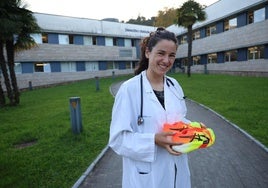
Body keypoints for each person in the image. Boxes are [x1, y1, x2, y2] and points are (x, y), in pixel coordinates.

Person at [109, 27, 191, 188]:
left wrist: (193, 128)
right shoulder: (129, 90)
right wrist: (153, 140)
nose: (166, 60)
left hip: (177, 170)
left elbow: (179, 119)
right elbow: (117, 139)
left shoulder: (174, 85)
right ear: (148, 52)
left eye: (171, 55)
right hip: (146, 178)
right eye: (161, 53)